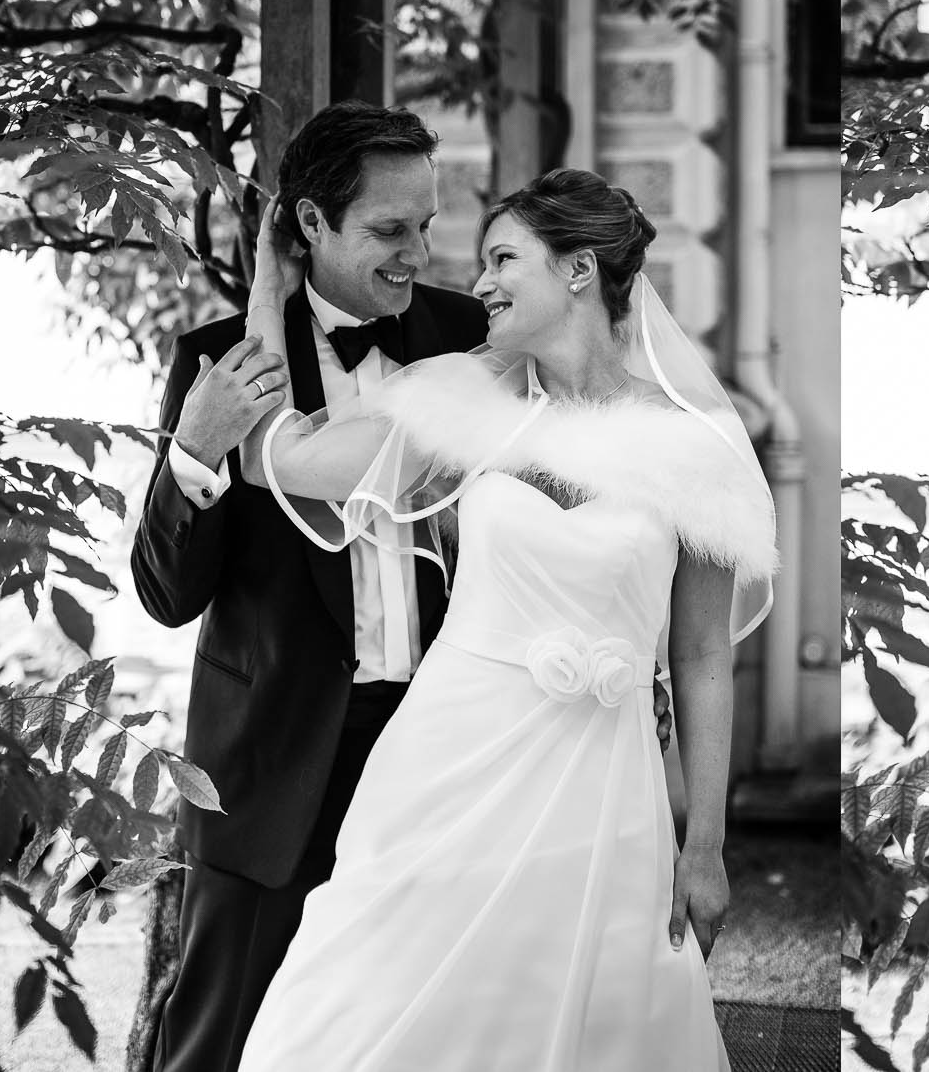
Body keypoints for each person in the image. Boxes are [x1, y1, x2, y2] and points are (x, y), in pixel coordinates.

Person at [231, 167, 776, 1071]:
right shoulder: (462, 401)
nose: (477, 282)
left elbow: (703, 654)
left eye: (502, 259)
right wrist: (265, 291)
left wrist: (706, 843)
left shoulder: (698, 448)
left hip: (606, 786)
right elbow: (286, 458)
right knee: (368, 1008)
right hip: (447, 766)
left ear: (578, 270)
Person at [132, 102, 493, 1072]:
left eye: (426, 224)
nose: (417, 252)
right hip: (268, 768)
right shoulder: (214, 362)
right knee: (221, 1041)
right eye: (389, 229)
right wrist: (196, 456)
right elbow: (166, 596)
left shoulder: (469, 339)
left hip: (427, 759)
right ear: (310, 226)